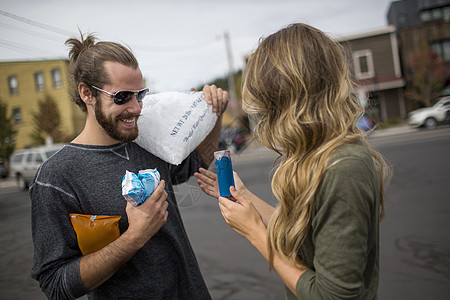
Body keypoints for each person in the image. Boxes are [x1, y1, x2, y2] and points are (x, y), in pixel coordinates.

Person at [195, 23, 392, 299]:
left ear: (287, 97)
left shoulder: (344, 167)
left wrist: (254, 232)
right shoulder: (316, 154)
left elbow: (332, 295)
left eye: (268, 103)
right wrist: (244, 196)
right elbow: (306, 234)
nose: (265, 114)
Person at [30, 32, 227, 299]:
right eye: (122, 97)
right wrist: (135, 236)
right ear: (87, 93)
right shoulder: (56, 177)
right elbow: (56, 284)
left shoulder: (146, 140)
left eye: (140, 94)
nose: (136, 108)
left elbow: (198, 161)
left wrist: (214, 114)